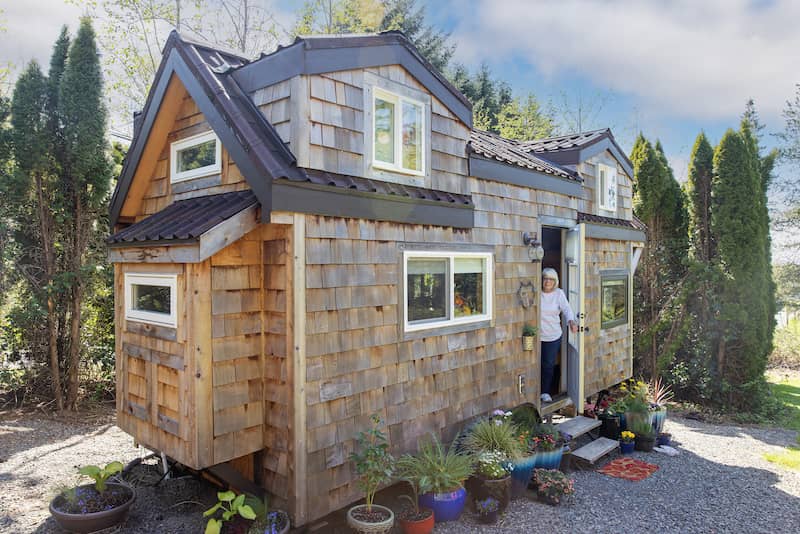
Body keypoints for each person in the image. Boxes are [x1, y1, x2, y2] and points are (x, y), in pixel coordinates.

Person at [540, 267, 578, 403]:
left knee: (548, 364)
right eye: (545, 278)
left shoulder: (558, 294)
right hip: (537, 336)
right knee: (535, 364)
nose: (547, 281)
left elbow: (567, 309)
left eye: (551, 279)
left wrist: (572, 321)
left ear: (555, 281)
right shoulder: (537, 293)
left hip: (552, 336)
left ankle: (545, 392)